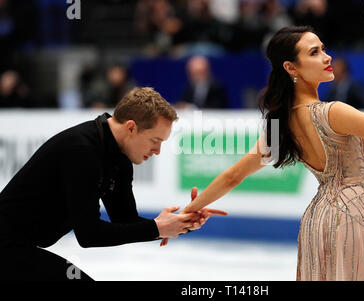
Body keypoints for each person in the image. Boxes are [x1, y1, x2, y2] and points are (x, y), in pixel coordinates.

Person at [171, 26, 364, 280]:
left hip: (316, 221)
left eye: (323, 48)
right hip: (349, 220)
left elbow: (233, 176)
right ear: (290, 67)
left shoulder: (283, 124)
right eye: (314, 52)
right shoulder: (334, 112)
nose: (327, 56)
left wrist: (188, 212)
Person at [0, 87, 226, 281]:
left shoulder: (119, 160)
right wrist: (156, 228)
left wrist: (180, 223)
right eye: (155, 141)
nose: (158, 151)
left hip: (20, 248)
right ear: (131, 127)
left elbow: (125, 222)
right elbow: (89, 235)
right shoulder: (81, 150)